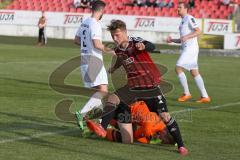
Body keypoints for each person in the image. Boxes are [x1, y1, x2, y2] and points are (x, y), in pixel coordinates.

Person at [87, 19, 188, 155]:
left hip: (149, 86)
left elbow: (151, 45)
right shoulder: (118, 50)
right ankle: (102, 127)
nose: (115, 39)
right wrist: (113, 68)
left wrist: (144, 46)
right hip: (133, 86)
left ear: (125, 33)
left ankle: (181, 146)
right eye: (113, 36)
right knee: (113, 97)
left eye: (117, 35)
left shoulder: (135, 41)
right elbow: (120, 59)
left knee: (164, 115)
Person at [74, 0, 114, 130]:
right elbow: (97, 44)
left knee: (98, 93)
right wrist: (112, 50)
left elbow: (76, 40)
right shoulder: (95, 24)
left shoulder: (85, 22)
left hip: (84, 61)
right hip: (94, 61)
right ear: (101, 11)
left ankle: (98, 122)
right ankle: (82, 114)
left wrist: (86, 46)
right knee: (103, 91)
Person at [167, 2, 211, 103]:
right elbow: (182, 39)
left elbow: (198, 31)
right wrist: (173, 40)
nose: (177, 9)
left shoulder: (189, 18)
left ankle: (186, 93)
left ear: (186, 9)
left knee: (178, 68)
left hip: (190, 49)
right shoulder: (183, 21)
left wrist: (187, 36)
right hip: (189, 49)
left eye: (180, 7)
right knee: (194, 72)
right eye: (177, 7)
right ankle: (205, 96)